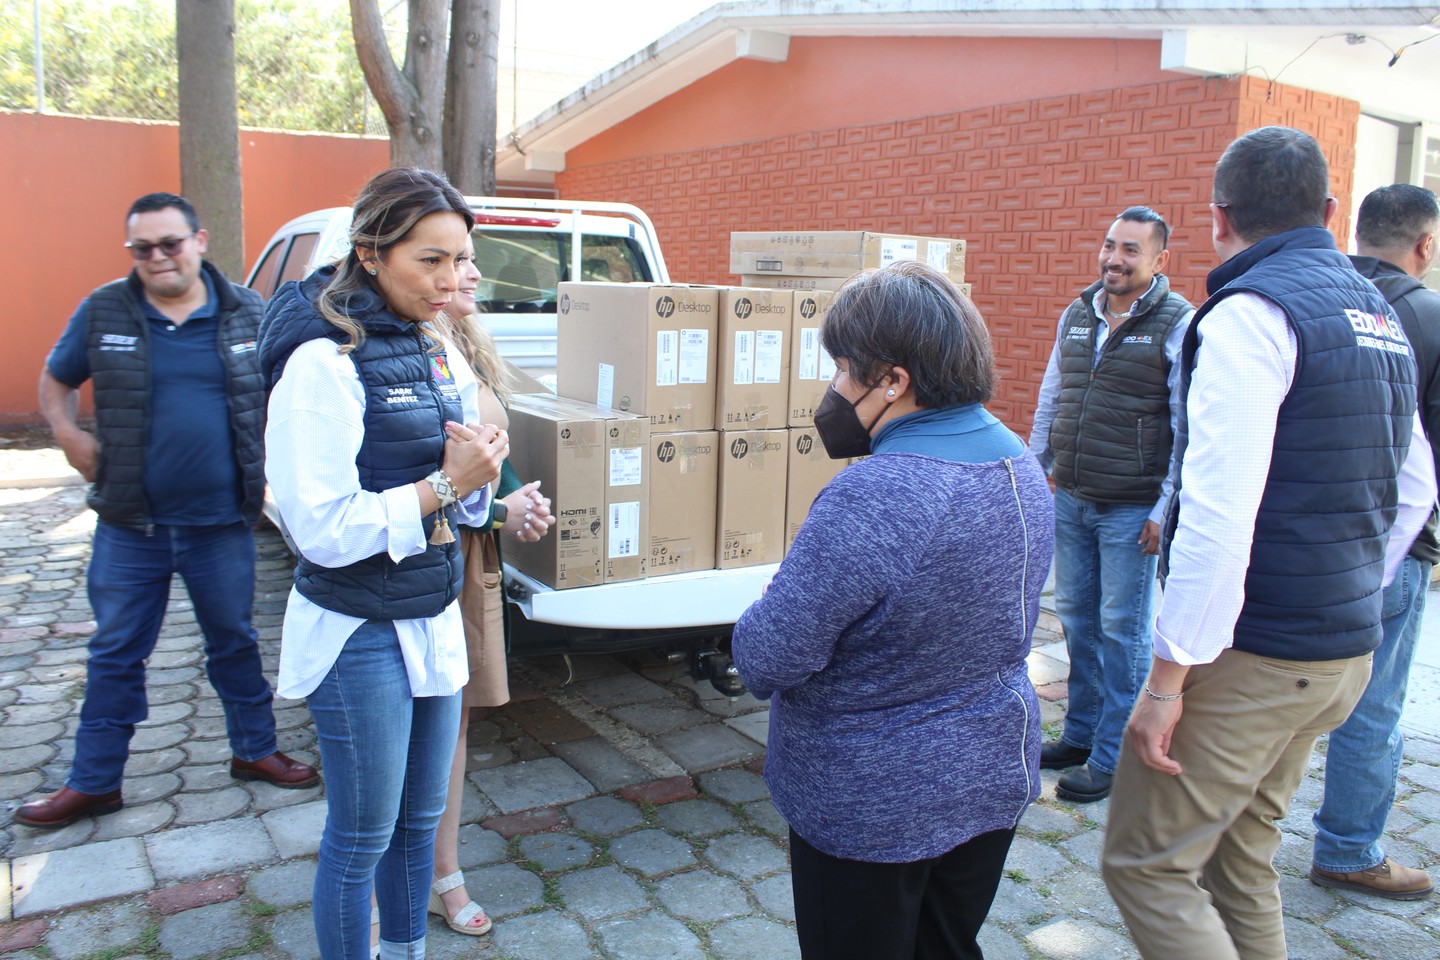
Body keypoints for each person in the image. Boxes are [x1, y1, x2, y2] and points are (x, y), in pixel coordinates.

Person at [1100, 126, 1434, 960]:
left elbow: (1219, 511)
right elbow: (1418, 486)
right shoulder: (1381, 316)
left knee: (1147, 865)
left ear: (1218, 219)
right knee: (1242, 856)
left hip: (1259, 653)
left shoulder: (1251, 314)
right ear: (1326, 210)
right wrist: (1355, 584)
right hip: (1341, 647)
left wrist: (1168, 678)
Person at [731, 260, 1054, 960]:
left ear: (893, 381)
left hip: (873, 802)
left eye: (846, 370)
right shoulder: (1019, 463)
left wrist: (771, 597)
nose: (834, 390)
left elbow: (765, 656)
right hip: (990, 773)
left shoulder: (877, 494)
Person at [258, 167, 508, 960]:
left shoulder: (431, 344)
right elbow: (324, 530)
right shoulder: (321, 363)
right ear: (370, 253)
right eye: (429, 260)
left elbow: (465, 487)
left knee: (417, 824)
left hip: (431, 617)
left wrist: (482, 487)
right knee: (362, 835)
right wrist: (445, 485)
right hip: (358, 630)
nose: (451, 279)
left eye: (460, 258)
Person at [16, 193, 318, 831]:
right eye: (142, 248)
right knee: (116, 652)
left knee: (234, 643)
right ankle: (94, 783)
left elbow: (295, 389)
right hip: (132, 527)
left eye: (170, 243)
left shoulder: (247, 312)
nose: (157, 257)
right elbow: (57, 378)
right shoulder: (104, 310)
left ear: (199, 241)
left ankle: (255, 751)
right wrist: (67, 435)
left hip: (222, 525)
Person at [1028, 206, 1194, 803]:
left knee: (1122, 630)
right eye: (1109, 246)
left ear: (1158, 261)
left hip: (1131, 505)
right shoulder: (1078, 313)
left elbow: (1185, 422)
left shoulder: (1178, 322)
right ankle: (1079, 734)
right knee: (1077, 620)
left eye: (1130, 250)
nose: (1114, 259)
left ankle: (1114, 753)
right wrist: (1033, 468)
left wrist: (1164, 507)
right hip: (1072, 495)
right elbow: (1054, 394)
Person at [421, 243, 556, 939]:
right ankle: (399, 873)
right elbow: (433, 473)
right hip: (427, 554)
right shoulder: (411, 346)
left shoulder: (462, 340)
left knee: (454, 722)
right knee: (413, 726)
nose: (472, 273)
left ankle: (443, 870)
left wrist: (515, 501)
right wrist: (505, 509)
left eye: (469, 259)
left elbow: (484, 464)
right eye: (453, 259)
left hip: (470, 556)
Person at [1310, 183, 1440, 900]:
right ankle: (1350, 847)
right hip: (1392, 545)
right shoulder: (1428, 315)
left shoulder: (1314, 302)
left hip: (1309, 545)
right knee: (1374, 705)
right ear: (1425, 244)